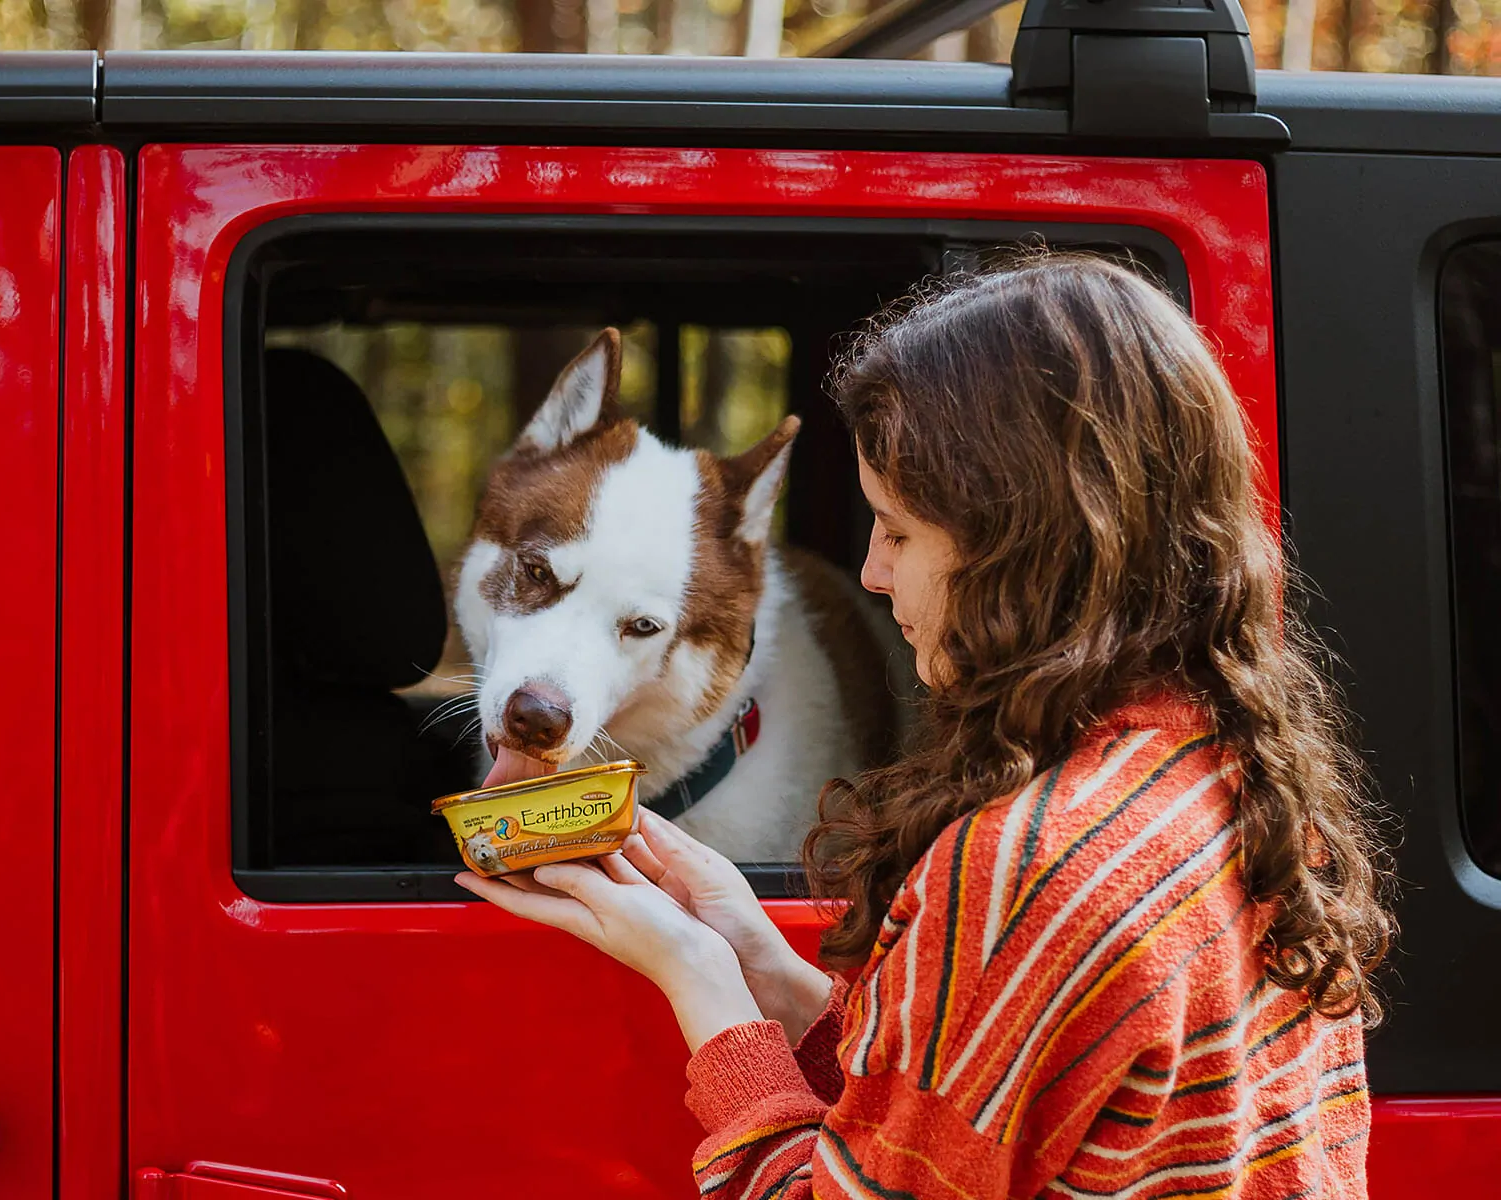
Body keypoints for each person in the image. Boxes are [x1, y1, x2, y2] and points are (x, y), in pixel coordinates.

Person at [455, 255, 1393, 1199]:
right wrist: (762, 962)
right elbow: (971, 1107)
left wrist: (694, 976)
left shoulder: (1029, 867)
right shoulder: (1234, 786)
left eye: (896, 530)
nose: (868, 573)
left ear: (1023, 546)